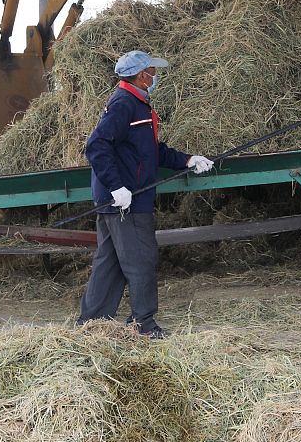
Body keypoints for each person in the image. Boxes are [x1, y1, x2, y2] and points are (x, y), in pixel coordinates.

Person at [77, 50, 215, 338]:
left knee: (110, 262)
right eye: (152, 71)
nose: (155, 77)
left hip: (118, 199)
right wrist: (117, 187)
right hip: (126, 201)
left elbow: (149, 151)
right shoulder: (125, 104)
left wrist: (187, 159)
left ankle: (91, 324)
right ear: (141, 76)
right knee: (141, 259)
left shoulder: (137, 104)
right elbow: (96, 146)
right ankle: (144, 326)